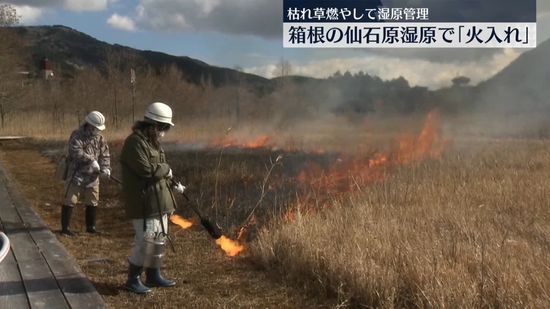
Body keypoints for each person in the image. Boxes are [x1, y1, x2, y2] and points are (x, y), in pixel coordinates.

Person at [120, 102, 185, 294]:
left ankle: (153, 275)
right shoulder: (134, 143)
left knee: (158, 239)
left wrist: (174, 181)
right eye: (164, 128)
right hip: (143, 203)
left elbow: (161, 169)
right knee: (145, 242)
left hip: (158, 201)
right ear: (154, 125)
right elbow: (147, 171)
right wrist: (167, 169)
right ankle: (132, 279)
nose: (164, 132)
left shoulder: (152, 143)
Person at [62, 111, 111, 236]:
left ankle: (91, 227)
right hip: (76, 175)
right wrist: (91, 160)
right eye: (96, 128)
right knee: (70, 200)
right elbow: (75, 151)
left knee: (93, 200)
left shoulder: (100, 138)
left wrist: (106, 168)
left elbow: (105, 155)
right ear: (89, 125)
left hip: (93, 176)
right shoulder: (77, 135)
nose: (98, 131)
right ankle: (65, 228)